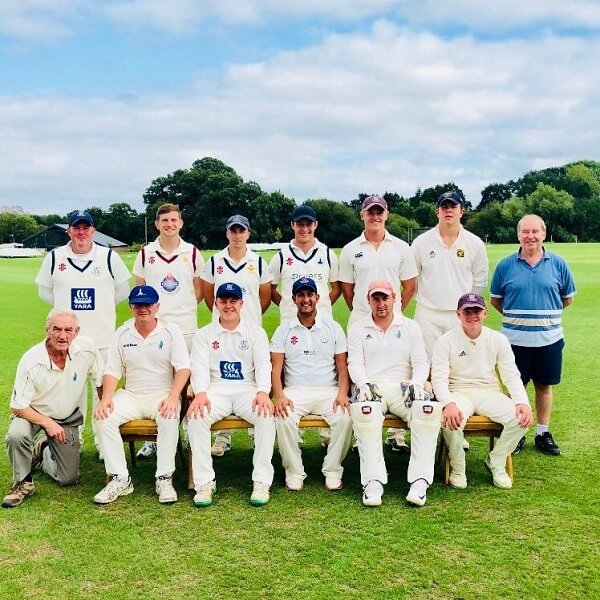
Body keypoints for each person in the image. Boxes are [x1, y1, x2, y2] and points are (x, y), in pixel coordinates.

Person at [35, 210, 131, 452]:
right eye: (76, 227)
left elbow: (121, 291)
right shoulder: (56, 258)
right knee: (70, 394)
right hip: (68, 342)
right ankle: (73, 442)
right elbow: (46, 292)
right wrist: (65, 313)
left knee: (103, 393)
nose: (81, 232)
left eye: (85, 227)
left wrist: (102, 309)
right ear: (69, 230)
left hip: (102, 339)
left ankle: (103, 442)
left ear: (93, 230)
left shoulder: (108, 257)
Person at [93, 285, 190, 505]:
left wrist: (174, 395)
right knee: (103, 416)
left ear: (157, 306)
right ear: (131, 307)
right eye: (138, 305)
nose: (143, 309)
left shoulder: (170, 330)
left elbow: (183, 367)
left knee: (169, 414)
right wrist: (106, 398)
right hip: (131, 394)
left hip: (162, 393)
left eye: (147, 304)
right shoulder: (122, 332)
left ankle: (164, 478)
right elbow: (112, 370)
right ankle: (120, 478)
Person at [347, 279, 441, 507]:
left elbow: (420, 362)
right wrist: (363, 383)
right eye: (375, 298)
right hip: (373, 387)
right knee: (366, 413)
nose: (381, 304)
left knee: (427, 410)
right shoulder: (358, 328)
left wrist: (416, 383)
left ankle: (420, 481)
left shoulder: (410, 326)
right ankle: (373, 481)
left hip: (402, 387)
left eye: (385, 298)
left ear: (395, 299)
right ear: (368, 300)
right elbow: (355, 363)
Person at [490, 215, 576, 456]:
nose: (530, 236)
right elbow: (496, 300)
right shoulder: (505, 266)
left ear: (543, 234)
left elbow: (568, 297)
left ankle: (542, 432)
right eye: (525, 232)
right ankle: (516, 432)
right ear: (518, 235)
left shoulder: (558, 264)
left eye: (535, 232)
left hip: (549, 340)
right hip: (514, 342)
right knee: (516, 388)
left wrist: (544, 318)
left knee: (544, 387)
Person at [339, 195, 418, 452]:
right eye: (370, 212)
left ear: (386, 214)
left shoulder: (400, 247)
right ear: (362, 215)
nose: (375, 216)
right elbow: (347, 290)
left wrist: (394, 310)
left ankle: (396, 436)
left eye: (379, 212)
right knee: (358, 373)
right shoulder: (351, 249)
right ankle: (361, 433)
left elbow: (409, 286)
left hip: (393, 318)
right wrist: (366, 311)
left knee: (400, 370)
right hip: (361, 316)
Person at [186, 282, 276, 507]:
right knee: (196, 416)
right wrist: (200, 393)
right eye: (223, 301)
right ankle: (204, 483)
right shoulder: (204, 334)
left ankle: (261, 481)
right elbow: (198, 367)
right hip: (216, 390)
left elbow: (264, 365)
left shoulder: (256, 332)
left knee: (265, 416)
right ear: (215, 303)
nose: (228, 306)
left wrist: (263, 392)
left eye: (233, 301)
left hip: (247, 390)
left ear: (241, 304)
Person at [3, 310, 103, 508]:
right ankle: (23, 483)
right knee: (16, 434)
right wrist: (47, 422)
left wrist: (106, 401)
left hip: (66, 417)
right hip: (32, 414)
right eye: (56, 329)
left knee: (68, 478)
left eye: (68, 330)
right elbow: (17, 406)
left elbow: (100, 378)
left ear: (77, 331)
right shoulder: (31, 359)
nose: (62, 335)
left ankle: (42, 452)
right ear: (47, 330)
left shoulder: (87, 349)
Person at [432, 293, 533, 489]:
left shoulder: (498, 339)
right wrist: (448, 403)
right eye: (467, 311)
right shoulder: (446, 341)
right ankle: (458, 467)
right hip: (458, 392)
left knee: (521, 420)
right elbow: (439, 378)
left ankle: (496, 461)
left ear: (485, 313)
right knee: (451, 419)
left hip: (488, 392)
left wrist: (522, 403)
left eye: (476, 311)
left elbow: (511, 374)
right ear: (458, 314)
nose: (472, 315)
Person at [132, 203, 203, 459]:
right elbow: (139, 289)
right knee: (158, 381)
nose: (170, 224)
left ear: (181, 223)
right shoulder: (145, 253)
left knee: (185, 384)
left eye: (174, 220)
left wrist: (180, 310)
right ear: (157, 224)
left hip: (185, 329)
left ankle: (185, 434)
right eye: (165, 221)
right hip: (155, 328)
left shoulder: (193, 253)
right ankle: (155, 438)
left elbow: (199, 291)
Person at [271, 277, 353, 491]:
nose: (306, 300)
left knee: (345, 418)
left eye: (310, 295)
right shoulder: (283, 330)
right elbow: (276, 369)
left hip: (329, 390)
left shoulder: (333, 328)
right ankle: (294, 471)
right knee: (283, 416)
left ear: (317, 297)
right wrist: (279, 396)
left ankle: (333, 469)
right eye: (301, 295)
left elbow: (343, 368)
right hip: (295, 391)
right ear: (294, 299)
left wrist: (343, 394)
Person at [201, 214, 272, 457]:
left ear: (248, 233)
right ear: (227, 233)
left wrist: (247, 317)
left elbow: (265, 297)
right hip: (221, 332)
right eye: (233, 230)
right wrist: (227, 315)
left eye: (242, 230)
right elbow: (209, 296)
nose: (237, 235)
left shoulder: (259, 262)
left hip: (251, 333)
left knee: (251, 381)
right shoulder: (214, 261)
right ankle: (223, 438)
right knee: (220, 380)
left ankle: (256, 435)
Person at [411, 191, 488, 358]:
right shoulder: (421, 243)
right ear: (437, 212)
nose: (448, 210)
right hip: (427, 314)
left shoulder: (475, 243)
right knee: (427, 364)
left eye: (453, 206)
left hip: (459, 314)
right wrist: (428, 300)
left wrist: (466, 307)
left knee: (458, 364)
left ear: (462, 211)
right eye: (444, 207)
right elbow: (412, 278)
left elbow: (480, 281)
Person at [270, 204, 341, 325]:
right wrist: (288, 304)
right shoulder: (281, 257)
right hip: (290, 323)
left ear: (315, 225)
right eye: (300, 224)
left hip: (322, 323)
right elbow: (270, 289)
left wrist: (321, 304)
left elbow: (337, 288)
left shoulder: (328, 254)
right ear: (293, 225)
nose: (304, 229)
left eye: (308, 224)